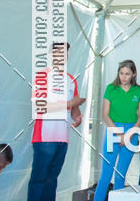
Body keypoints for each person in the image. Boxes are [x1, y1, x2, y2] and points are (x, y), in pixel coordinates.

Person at [28, 42, 85, 201]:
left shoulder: (71, 80)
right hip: (44, 137)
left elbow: (74, 108)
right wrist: (69, 104)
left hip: (62, 137)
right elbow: (40, 106)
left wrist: (77, 117)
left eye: (65, 52)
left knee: (52, 180)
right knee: (39, 179)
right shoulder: (42, 76)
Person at [94, 60, 140, 201]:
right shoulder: (111, 88)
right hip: (113, 129)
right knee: (106, 175)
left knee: (121, 175)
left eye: (127, 74)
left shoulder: (138, 90)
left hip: (132, 132)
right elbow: (105, 115)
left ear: (133, 74)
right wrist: (120, 134)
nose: (123, 76)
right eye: (121, 73)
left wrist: (130, 134)